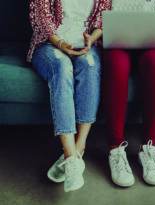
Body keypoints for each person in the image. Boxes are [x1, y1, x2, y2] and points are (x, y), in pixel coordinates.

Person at [28, 0, 111, 192]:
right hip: (50, 44)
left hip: (86, 44)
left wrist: (92, 38)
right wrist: (61, 44)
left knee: (90, 66)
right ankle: (70, 157)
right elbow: (42, 20)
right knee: (62, 66)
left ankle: (78, 149)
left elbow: (103, 18)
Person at [103, 0, 155, 187]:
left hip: (153, 39)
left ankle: (149, 146)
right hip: (116, 38)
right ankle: (116, 149)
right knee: (117, 66)